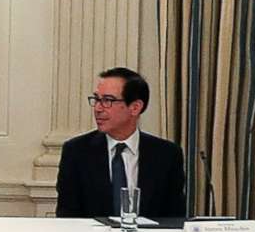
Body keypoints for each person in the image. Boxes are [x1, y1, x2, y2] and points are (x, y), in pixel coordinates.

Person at [54, 66, 187, 221]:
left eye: (107, 101)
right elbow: (68, 217)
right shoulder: (76, 151)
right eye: (96, 99)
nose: (98, 108)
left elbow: (174, 218)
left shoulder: (167, 154)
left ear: (135, 107)